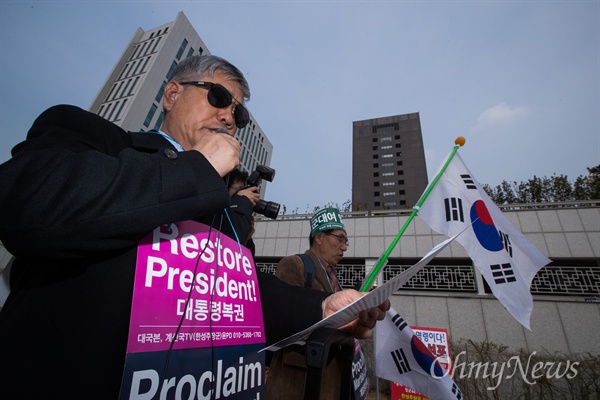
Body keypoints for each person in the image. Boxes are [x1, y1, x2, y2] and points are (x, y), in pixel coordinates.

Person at [0, 55, 389, 398]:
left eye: (238, 114)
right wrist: (197, 169)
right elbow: (29, 203)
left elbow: (239, 292)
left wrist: (321, 307)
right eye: (219, 98)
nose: (228, 118)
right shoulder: (94, 138)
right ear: (172, 94)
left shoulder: (214, 206)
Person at [266, 207, 358, 399]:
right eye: (340, 238)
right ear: (319, 237)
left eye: (346, 241)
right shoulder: (294, 264)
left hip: (333, 380)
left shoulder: (335, 279)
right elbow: (280, 322)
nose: (344, 247)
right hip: (297, 383)